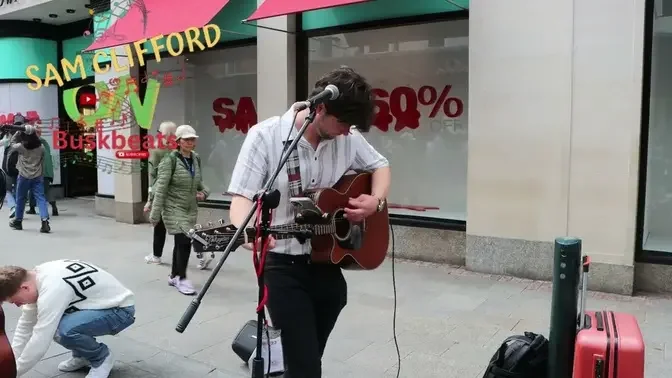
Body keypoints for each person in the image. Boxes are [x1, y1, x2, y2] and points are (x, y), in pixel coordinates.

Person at [227, 66, 391, 377]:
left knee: (308, 357)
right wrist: (249, 232)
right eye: (343, 123)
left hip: (326, 262)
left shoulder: (349, 138)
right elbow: (241, 197)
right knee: (305, 365)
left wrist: (375, 201)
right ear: (321, 108)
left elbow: (380, 165)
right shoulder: (266, 136)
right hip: (282, 265)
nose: (347, 131)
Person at [0, 260, 135, 378]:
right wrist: (10, 363)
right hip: (96, 305)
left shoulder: (52, 289)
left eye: (15, 301)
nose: (17, 305)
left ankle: (102, 357)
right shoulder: (37, 277)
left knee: (60, 330)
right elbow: (25, 326)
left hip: (120, 311)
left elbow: (41, 337)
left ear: (25, 288)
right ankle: (82, 356)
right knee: (58, 322)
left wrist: (14, 373)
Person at [149, 124, 210, 295]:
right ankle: (182, 278)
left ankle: (174, 275)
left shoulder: (195, 159)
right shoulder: (170, 160)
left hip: (190, 207)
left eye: (193, 139)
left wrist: (205, 193)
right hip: (173, 207)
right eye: (187, 139)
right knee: (184, 240)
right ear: (179, 141)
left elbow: (199, 182)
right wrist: (155, 214)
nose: (190, 142)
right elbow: (160, 188)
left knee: (181, 242)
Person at [143, 121, 177, 265]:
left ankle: (156, 256)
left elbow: (153, 176)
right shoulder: (180, 149)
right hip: (178, 192)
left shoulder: (157, 149)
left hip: (162, 192)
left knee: (159, 225)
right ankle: (201, 255)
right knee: (183, 226)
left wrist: (149, 199)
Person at [8, 125, 50, 233]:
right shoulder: (41, 148)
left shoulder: (21, 147)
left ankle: (18, 221)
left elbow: (11, 144)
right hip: (37, 177)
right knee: (41, 199)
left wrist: (18, 132)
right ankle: (45, 222)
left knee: (20, 199)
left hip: (23, 177)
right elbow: (42, 159)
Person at [26, 127, 57, 216]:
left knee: (34, 190)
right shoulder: (46, 146)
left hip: (40, 173)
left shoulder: (37, 148)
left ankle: (34, 209)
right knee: (46, 190)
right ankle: (53, 206)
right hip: (47, 173)